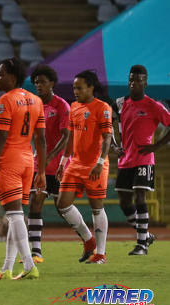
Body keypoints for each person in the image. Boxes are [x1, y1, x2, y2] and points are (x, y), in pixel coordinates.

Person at [0, 57, 46, 280]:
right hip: (28, 160)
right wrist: (42, 171)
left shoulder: (5, 100)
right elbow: (41, 139)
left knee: (15, 215)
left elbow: (1, 136)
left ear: (13, 77)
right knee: (15, 214)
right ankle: (7, 267)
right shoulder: (36, 100)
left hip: (9, 160)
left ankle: (28, 265)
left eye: (0, 74)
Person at [112, 65, 170, 255]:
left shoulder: (153, 106)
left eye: (137, 79)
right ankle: (145, 235)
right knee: (124, 201)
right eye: (131, 79)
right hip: (125, 160)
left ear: (145, 82)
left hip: (144, 158)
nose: (133, 83)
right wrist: (114, 145)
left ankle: (141, 245)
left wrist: (156, 146)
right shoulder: (121, 103)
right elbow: (110, 123)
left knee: (139, 196)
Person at [56, 70, 112, 264]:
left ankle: (101, 253)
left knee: (96, 208)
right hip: (76, 164)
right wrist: (64, 162)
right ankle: (89, 240)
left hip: (95, 165)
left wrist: (99, 162)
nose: (76, 91)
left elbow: (107, 137)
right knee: (62, 204)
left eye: (79, 87)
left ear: (91, 87)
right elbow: (71, 137)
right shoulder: (74, 107)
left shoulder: (102, 107)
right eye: (74, 87)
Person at [27, 65, 71, 263]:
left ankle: (88, 239)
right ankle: (36, 251)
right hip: (39, 165)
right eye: (36, 82)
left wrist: (52, 155)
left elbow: (66, 136)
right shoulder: (34, 105)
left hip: (58, 165)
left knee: (62, 208)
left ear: (52, 83)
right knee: (35, 202)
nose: (39, 85)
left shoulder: (61, 106)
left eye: (42, 82)